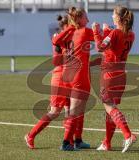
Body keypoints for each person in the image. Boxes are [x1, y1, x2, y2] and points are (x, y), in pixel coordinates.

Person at [24, 13, 90, 150]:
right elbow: (59, 57)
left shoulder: (74, 34)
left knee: (71, 110)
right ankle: (30, 135)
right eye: (71, 25)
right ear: (67, 25)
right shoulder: (60, 36)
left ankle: (73, 141)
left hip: (69, 75)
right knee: (55, 111)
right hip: (60, 75)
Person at [92, 5, 137, 153]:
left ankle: (128, 135)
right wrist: (107, 31)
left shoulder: (115, 33)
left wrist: (96, 32)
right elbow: (116, 44)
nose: (111, 16)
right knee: (110, 110)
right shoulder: (131, 34)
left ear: (118, 17)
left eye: (113, 14)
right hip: (121, 75)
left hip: (109, 75)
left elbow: (100, 47)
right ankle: (107, 143)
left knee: (109, 107)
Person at [52, 7, 94, 151]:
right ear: (78, 19)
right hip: (79, 76)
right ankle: (66, 143)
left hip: (68, 75)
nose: (88, 20)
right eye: (85, 18)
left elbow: (56, 40)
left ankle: (76, 141)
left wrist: (69, 27)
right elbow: (102, 43)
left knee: (76, 111)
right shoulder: (85, 31)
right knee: (75, 112)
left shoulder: (69, 32)